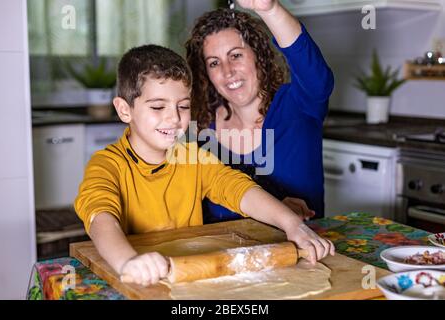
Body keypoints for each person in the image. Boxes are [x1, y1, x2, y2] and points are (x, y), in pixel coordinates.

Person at [74, 44, 334, 287]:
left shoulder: (192, 157)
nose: (174, 118)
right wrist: (128, 262)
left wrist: (291, 224)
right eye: (157, 106)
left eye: (183, 106)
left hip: (190, 277)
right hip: (138, 280)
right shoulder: (107, 165)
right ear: (124, 110)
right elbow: (101, 218)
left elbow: (236, 188)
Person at [186, 0, 334, 223]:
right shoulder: (198, 127)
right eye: (214, 63)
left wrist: (269, 8)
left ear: (258, 56)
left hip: (301, 254)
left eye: (236, 55)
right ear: (206, 73)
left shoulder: (297, 106)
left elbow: (317, 76)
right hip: (220, 255)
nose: (228, 71)